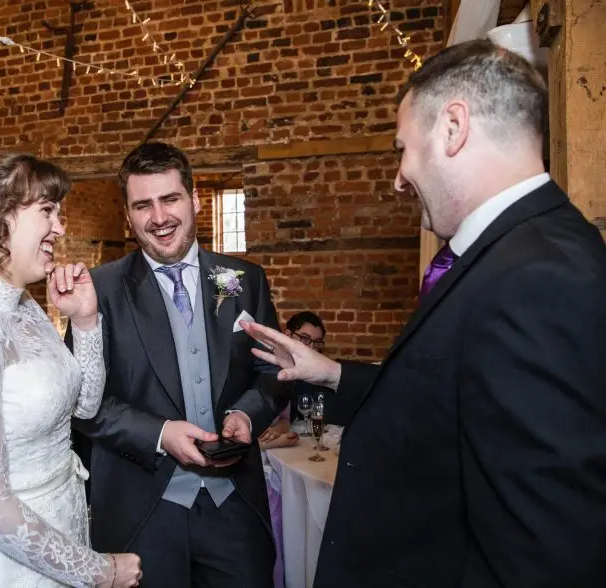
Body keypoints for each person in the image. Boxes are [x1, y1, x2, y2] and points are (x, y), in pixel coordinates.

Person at [243, 39, 606, 587]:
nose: (398, 175)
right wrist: (332, 372)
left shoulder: (539, 277)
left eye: (403, 148)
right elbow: (448, 389)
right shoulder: (509, 252)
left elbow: (545, 549)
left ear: (454, 128)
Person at [71, 142, 289, 588]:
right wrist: (161, 435)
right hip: (143, 512)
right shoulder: (98, 290)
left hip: (234, 510)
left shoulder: (242, 280)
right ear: (128, 215)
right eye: (143, 205)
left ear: (193, 199)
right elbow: (83, 402)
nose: (159, 217)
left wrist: (247, 414)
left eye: (170, 199)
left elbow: (272, 374)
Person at [0, 152, 141, 588]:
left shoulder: (22, 306)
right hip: (6, 568)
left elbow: (84, 407)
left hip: (63, 532)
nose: (60, 227)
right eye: (47, 211)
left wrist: (86, 321)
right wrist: (100, 571)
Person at [259, 311, 327, 444]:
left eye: (317, 342)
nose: (311, 348)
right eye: (305, 339)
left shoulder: (313, 376)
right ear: (288, 335)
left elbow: (288, 414)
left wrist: (282, 426)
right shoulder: (265, 364)